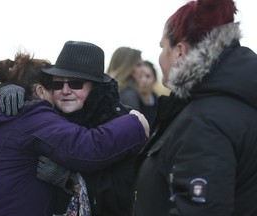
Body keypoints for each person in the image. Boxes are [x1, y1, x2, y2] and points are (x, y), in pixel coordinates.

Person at [0, 50, 149, 215]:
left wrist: (72, 180)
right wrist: (136, 124)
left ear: (94, 86)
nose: (65, 91)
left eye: (76, 83)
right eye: (56, 85)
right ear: (40, 90)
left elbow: (122, 187)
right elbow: (87, 147)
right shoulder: (33, 114)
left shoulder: (3, 109)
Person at [134, 0, 257, 215]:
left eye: (163, 47)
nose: (160, 57)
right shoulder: (229, 101)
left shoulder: (207, 119)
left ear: (180, 51)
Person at [106, 46, 143, 111]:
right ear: (127, 67)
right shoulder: (129, 95)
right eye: (138, 65)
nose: (142, 70)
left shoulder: (101, 88)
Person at [138, 60, 159, 128]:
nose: (144, 80)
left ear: (154, 79)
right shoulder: (130, 101)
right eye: (140, 76)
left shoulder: (160, 103)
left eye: (148, 76)